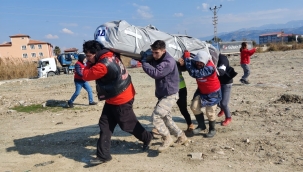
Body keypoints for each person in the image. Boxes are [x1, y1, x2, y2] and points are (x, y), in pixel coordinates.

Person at [82, 40, 153, 165]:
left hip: (121, 99)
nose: (87, 59)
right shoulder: (110, 53)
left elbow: (86, 75)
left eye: (88, 56)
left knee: (128, 125)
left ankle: (148, 137)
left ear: (95, 53)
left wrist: (87, 63)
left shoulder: (102, 66)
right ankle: (103, 156)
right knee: (105, 124)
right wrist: (90, 60)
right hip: (115, 96)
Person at [141, 40, 188, 153]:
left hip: (170, 95)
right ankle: (181, 136)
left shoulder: (168, 61)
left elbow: (156, 73)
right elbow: (153, 64)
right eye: (152, 52)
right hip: (163, 95)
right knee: (166, 119)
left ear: (164, 51)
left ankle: (167, 138)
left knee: (156, 116)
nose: (154, 55)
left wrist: (144, 62)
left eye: (156, 52)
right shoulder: (159, 59)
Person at [183, 50, 221, 138]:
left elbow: (194, 73)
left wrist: (187, 59)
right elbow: (190, 65)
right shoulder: (196, 63)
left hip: (213, 92)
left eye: (201, 63)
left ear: (205, 61)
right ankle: (201, 125)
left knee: (210, 112)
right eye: (197, 62)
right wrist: (186, 58)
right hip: (201, 90)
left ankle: (212, 129)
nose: (199, 64)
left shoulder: (210, 68)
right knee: (194, 107)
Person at [216, 54, 238, 126]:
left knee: (224, 103)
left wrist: (215, 70)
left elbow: (222, 69)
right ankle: (222, 110)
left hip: (226, 83)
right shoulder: (210, 58)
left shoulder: (222, 58)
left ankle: (228, 117)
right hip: (218, 82)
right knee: (218, 102)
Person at [176, 58, 195, 131]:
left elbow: (185, 68)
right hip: (168, 90)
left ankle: (190, 123)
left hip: (181, 88)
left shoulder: (176, 58)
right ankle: (158, 127)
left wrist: (183, 64)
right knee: (164, 109)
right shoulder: (159, 60)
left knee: (183, 108)